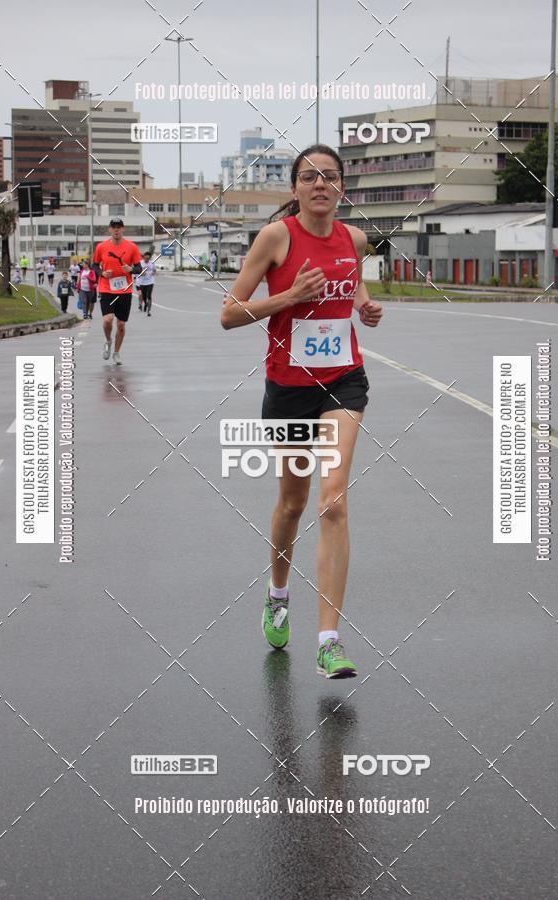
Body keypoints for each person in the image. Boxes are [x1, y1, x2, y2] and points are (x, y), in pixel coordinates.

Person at [221, 144, 383, 679]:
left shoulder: (354, 238)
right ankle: (277, 592)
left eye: (330, 177)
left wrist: (362, 304)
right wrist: (288, 296)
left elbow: (350, 279)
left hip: (343, 380)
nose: (320, 184)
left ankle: (330, 640)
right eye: (309, 177)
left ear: (341, 188)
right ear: (294, 188)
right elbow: (230, 314)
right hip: (288, 387)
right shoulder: (277, 238)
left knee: (333, 502)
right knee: (292, 503)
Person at [92, 217, 142, 365]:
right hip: (107, 288)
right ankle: (108, 340)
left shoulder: (132, 247)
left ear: (123, 229)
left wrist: (131, 269)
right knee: (108, 320)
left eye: (119, 227)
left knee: (120, 325)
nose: (116, 229)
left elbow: (139, 268)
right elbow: (94, 266)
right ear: (109, 229)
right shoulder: (101, 247)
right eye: (113, 227)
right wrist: (101, 273)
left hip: (125, 290)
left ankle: (116, 352)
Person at [136, 250, 156, 316]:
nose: (146, 260)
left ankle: (149, 311)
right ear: (143, 257)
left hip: (150, 281)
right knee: (144, 296)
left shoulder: (152, 263)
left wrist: (153, 272)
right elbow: (137, 271)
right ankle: (145, 304)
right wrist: (141, 273)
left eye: (148, 258)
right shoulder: (140, 263)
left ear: (149, 258)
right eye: (145, 258)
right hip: (142, 282)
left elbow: (154, 270)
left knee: (149, 295)